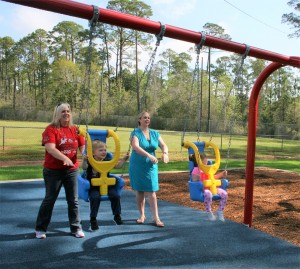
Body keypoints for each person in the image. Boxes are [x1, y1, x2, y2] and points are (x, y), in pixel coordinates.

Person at [35, 103, 85, 239]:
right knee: (50, 199)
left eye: (68, 111)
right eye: (63, 111)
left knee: (73, 200)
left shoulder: (75, 129)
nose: (66, 113)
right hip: (53, 171)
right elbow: (50, 148)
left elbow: (82, 145)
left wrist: (85, 154)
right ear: (57, 114)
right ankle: (40, 228)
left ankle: (76, 228)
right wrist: (64, 158)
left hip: (71, 170)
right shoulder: (51, 129)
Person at [129, 111, 169, 227]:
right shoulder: (135, 133)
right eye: (144, 118)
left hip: (151, 165)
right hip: (138, 164)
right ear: (139, 120)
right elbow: (135, 147)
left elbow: (163, 145)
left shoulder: (155, 133)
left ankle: (156, 217)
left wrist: (165, 153)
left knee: (152, 190)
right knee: (140, 190)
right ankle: (142, 215)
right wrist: (149, 155)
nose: (147, 119)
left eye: (148, 118)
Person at [81, 140, 129, 231]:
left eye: (104, 150)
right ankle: (93, 219)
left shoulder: (108, 160)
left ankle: (117, 215)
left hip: (107, 184)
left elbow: (117, 166)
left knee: (116, 196)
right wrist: (84, 160)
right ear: (93, 153)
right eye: (100, 150)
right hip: (94, 186)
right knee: (95, 198)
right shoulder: (90, 160)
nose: (104, 152)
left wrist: (124, 159)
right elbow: (84, 167)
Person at [189, 152, 228, 221]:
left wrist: (221, 174)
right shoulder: (196, 170)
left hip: (212, 187)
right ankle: (209, 212)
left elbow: (213, 177)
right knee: (208, 194)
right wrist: (199, 180)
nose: (207, 162)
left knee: (224, 194)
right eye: (205, 160)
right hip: (202, 189)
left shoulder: (208, 169)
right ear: (200, 162)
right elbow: (195, 181)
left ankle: (219, 211)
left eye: (206, 160)